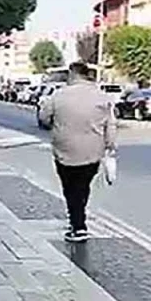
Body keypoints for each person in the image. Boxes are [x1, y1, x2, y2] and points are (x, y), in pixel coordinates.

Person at [41, 61, 116, 242]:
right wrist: (110, 145)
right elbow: (110, 125)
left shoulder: (58, 95)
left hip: (64, 150)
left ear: (72, 74)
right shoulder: (103, 97)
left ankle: (78, 224)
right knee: (83, 186)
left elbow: (44, 118)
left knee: (70, 188)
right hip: (92, 151)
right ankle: (78, 219)